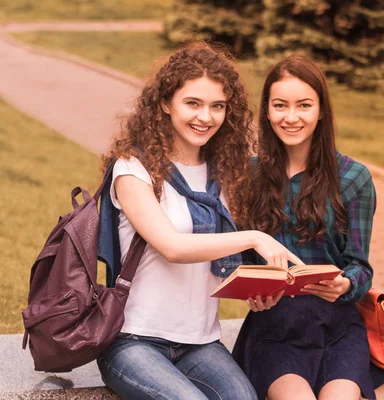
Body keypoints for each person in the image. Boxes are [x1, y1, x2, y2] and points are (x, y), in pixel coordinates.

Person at [96, 41, 303, 400]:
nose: (205, 117)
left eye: (217, 106)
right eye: (193, 103)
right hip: (132, 340)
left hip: (199, 341)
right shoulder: (133, 168)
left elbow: (215, 261)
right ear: (165, 103)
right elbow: (173, 247)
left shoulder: (225, 174)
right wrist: (254, 238)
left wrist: (257, 290)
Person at [232, 54, 384, 400]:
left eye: (303, 105)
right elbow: (238, 262)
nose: (291, 117)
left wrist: (346, 284)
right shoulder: (248, 176)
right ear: (267, 111)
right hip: (274, 330)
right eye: (280, 105)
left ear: (321, 111)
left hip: (337, 328)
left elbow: (360, 267)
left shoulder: (353, 177)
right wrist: (251, 293)